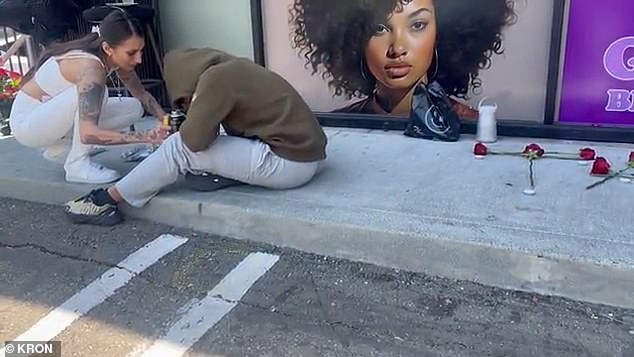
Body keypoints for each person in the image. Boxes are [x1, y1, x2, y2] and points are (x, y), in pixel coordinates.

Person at [64, 47, 328, 226]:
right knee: (193, 150)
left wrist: (179, 131)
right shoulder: (231, 68)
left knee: (180, 149)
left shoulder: (215, 80)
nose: (184, 102)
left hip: (291, 164)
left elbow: (193, 142)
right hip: (307, 156)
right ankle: (222, 175)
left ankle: (106, 200)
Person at [8, 10, 168, 184]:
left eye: (141, 51)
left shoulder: (113, 57)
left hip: (50, 114)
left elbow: (143, 95)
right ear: (108, 48)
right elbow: (88, 134)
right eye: (131, 53)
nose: (139, 59)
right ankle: (77, 165)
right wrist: (148, 137)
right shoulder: (91, 69)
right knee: (99, 95)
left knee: (134, 108)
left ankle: (60, 149)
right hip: (28, 124)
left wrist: (166, 121)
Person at [289, 0, 516, 118]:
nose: (397, 48)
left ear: (442, 33)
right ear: (354, 37)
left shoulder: (470, 130)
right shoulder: (341, 128)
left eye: (417, 25)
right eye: (379, 28)